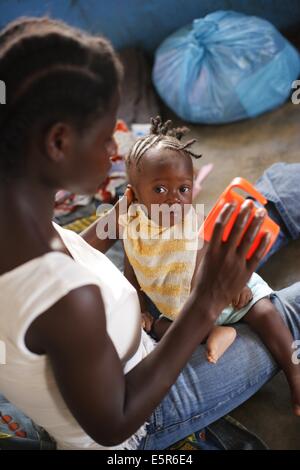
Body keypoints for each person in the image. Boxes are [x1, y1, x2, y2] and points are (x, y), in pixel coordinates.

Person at [0, 17, 299, 451]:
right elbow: (112, 424)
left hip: (140, 328)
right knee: (283, 311)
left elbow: (81, 241)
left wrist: (128, 212)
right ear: (59, 142)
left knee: (257, 206)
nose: (113, 153)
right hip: (142, 410)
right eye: (106, 137)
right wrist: (206, 301)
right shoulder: (64, 300)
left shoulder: (16, 209)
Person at [121, 116, 300, 416]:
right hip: (182, 306)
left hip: (225, 289)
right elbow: (131, 270)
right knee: (160, 331)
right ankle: (215, 333)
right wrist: (139, 308)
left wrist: (239, 285)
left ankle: (294, 373)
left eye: (184, 189)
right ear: (135, 195)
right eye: (160, 190)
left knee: (267, 313)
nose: (174, 201)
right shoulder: (133, 228)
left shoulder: (193, 226)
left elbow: (219, 255)